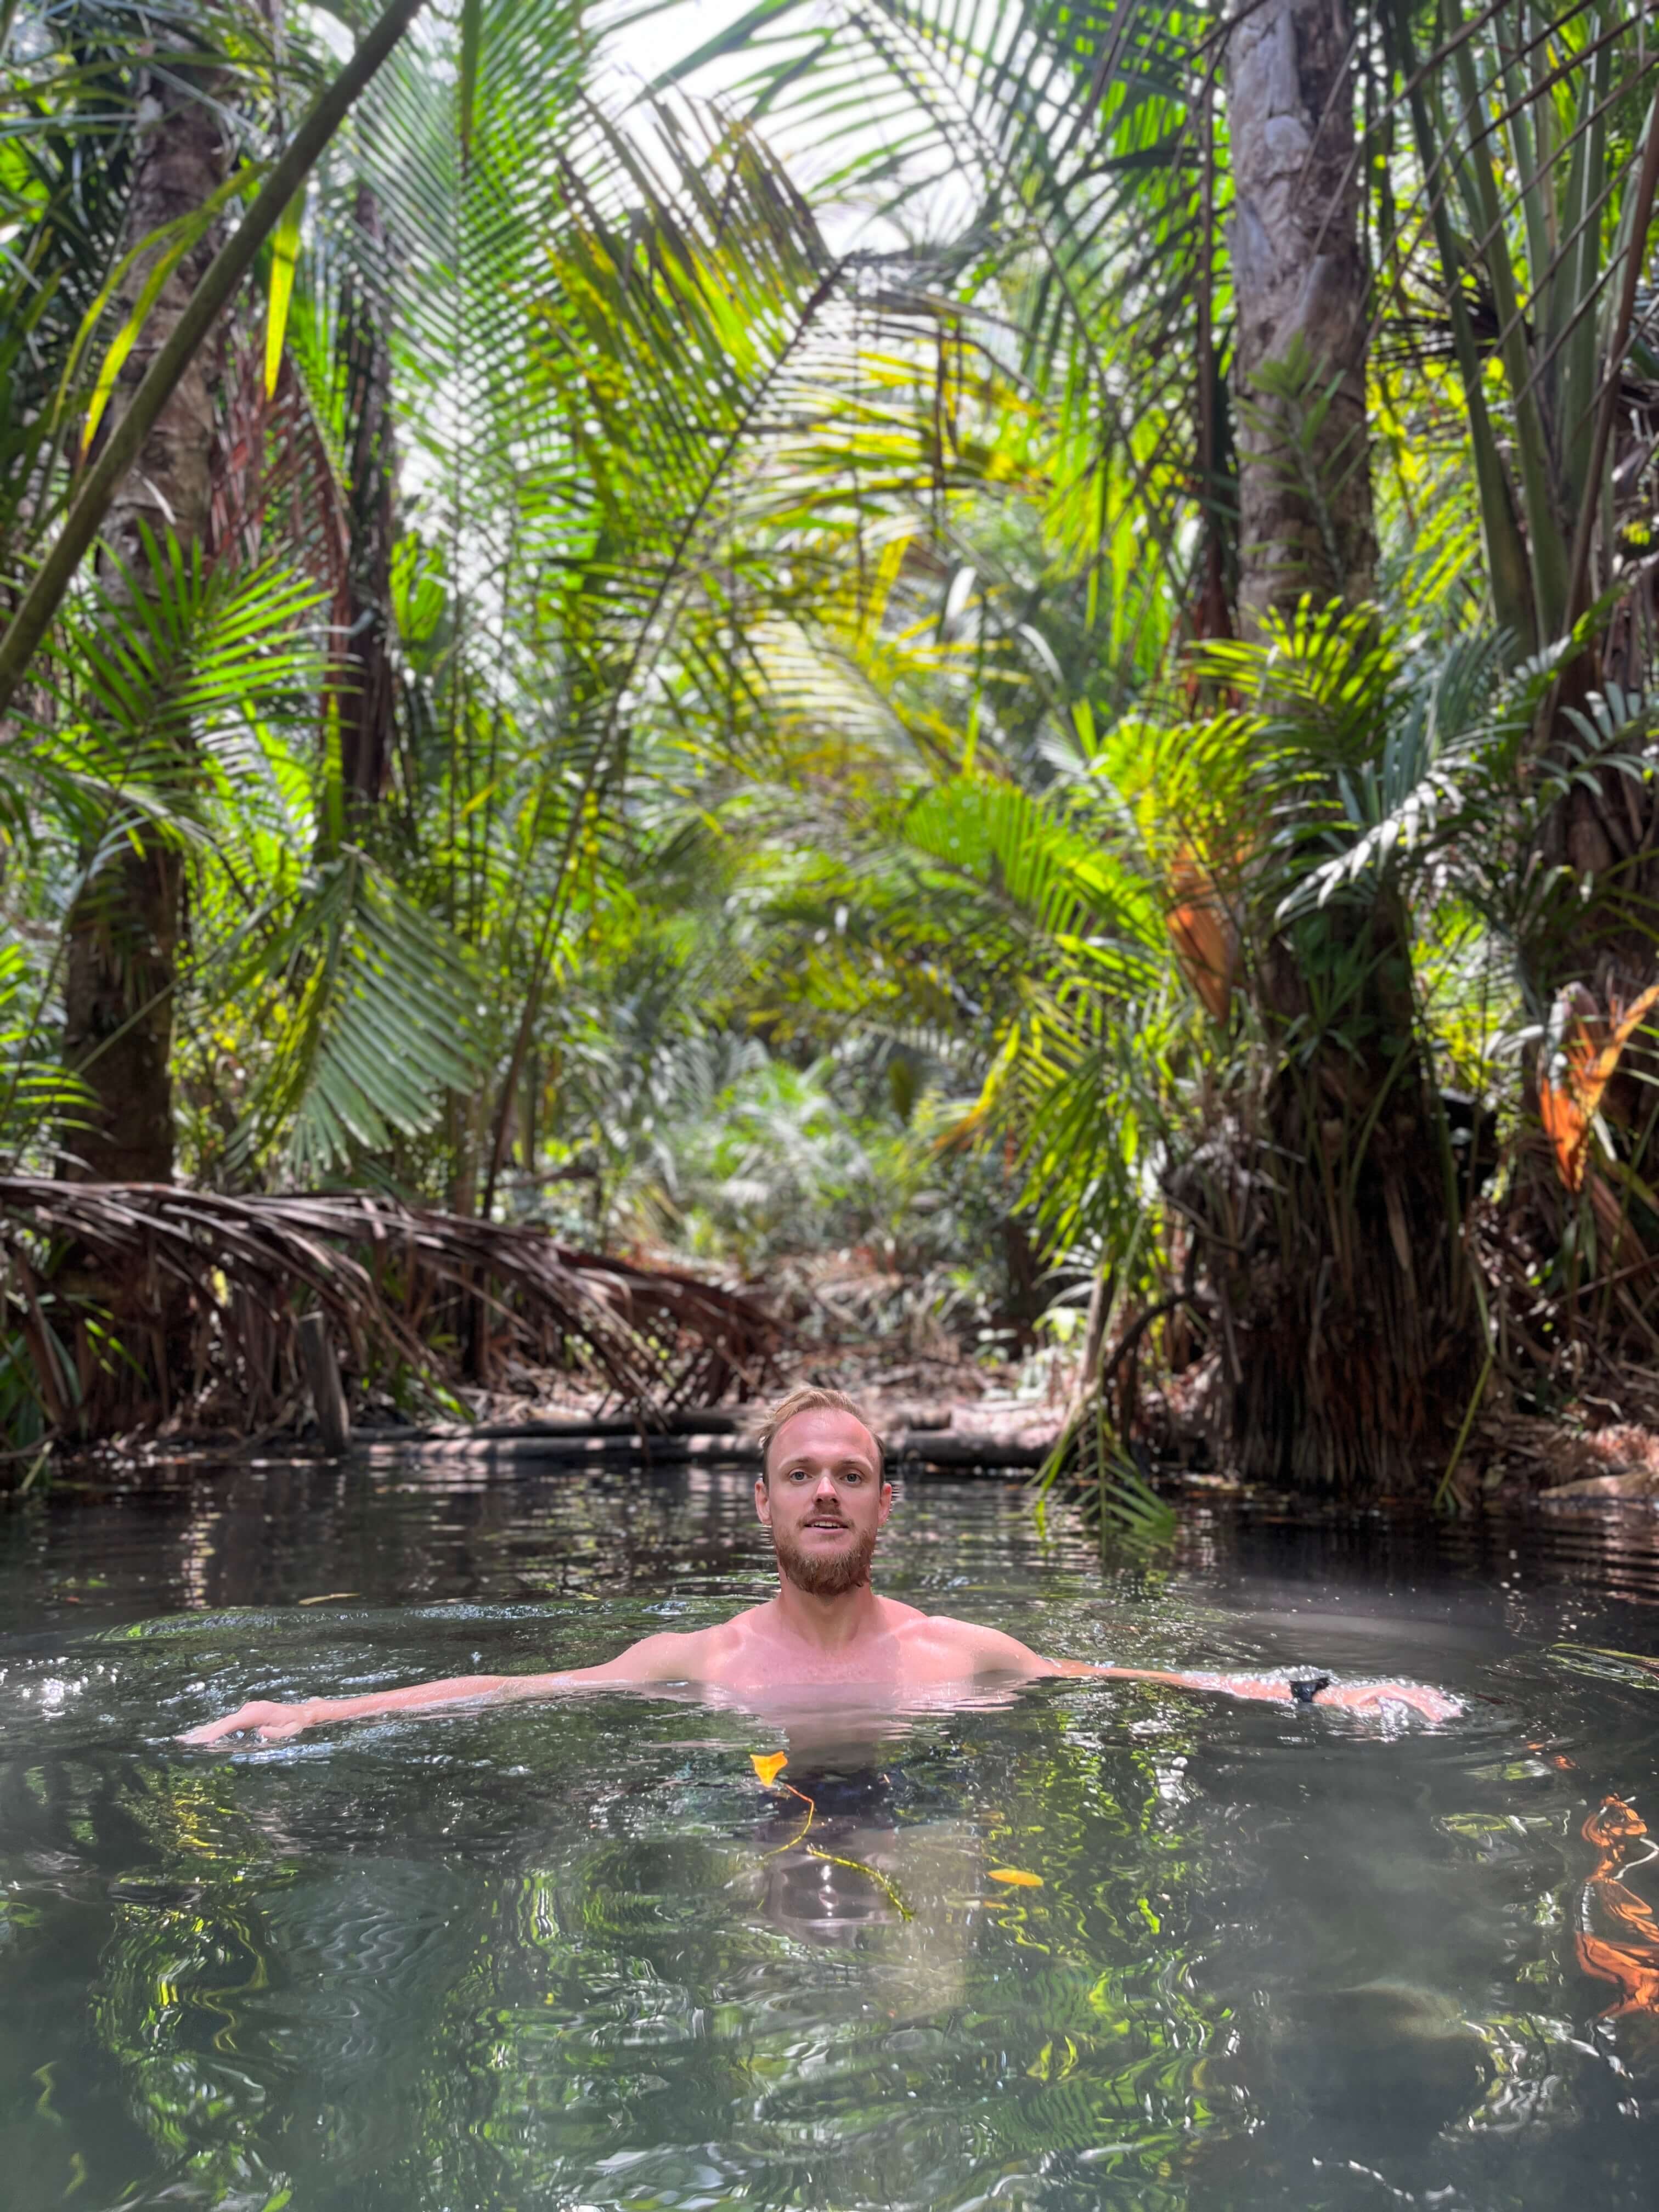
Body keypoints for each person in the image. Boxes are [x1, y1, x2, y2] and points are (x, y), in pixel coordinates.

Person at [181, 1385, 1462, 1744]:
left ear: (888, 1506)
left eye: (850, 1474)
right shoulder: (695, 1661)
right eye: (803, 1475)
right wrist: (317, 1708)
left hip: (926, 1816)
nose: (828, 1492)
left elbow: (1115, 1675)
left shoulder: (964, 1653)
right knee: (785, 1959)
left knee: (921, 1999)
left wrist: (1309, 1695)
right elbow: (513, 1697)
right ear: (767, 1509)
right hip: (760, 1809)